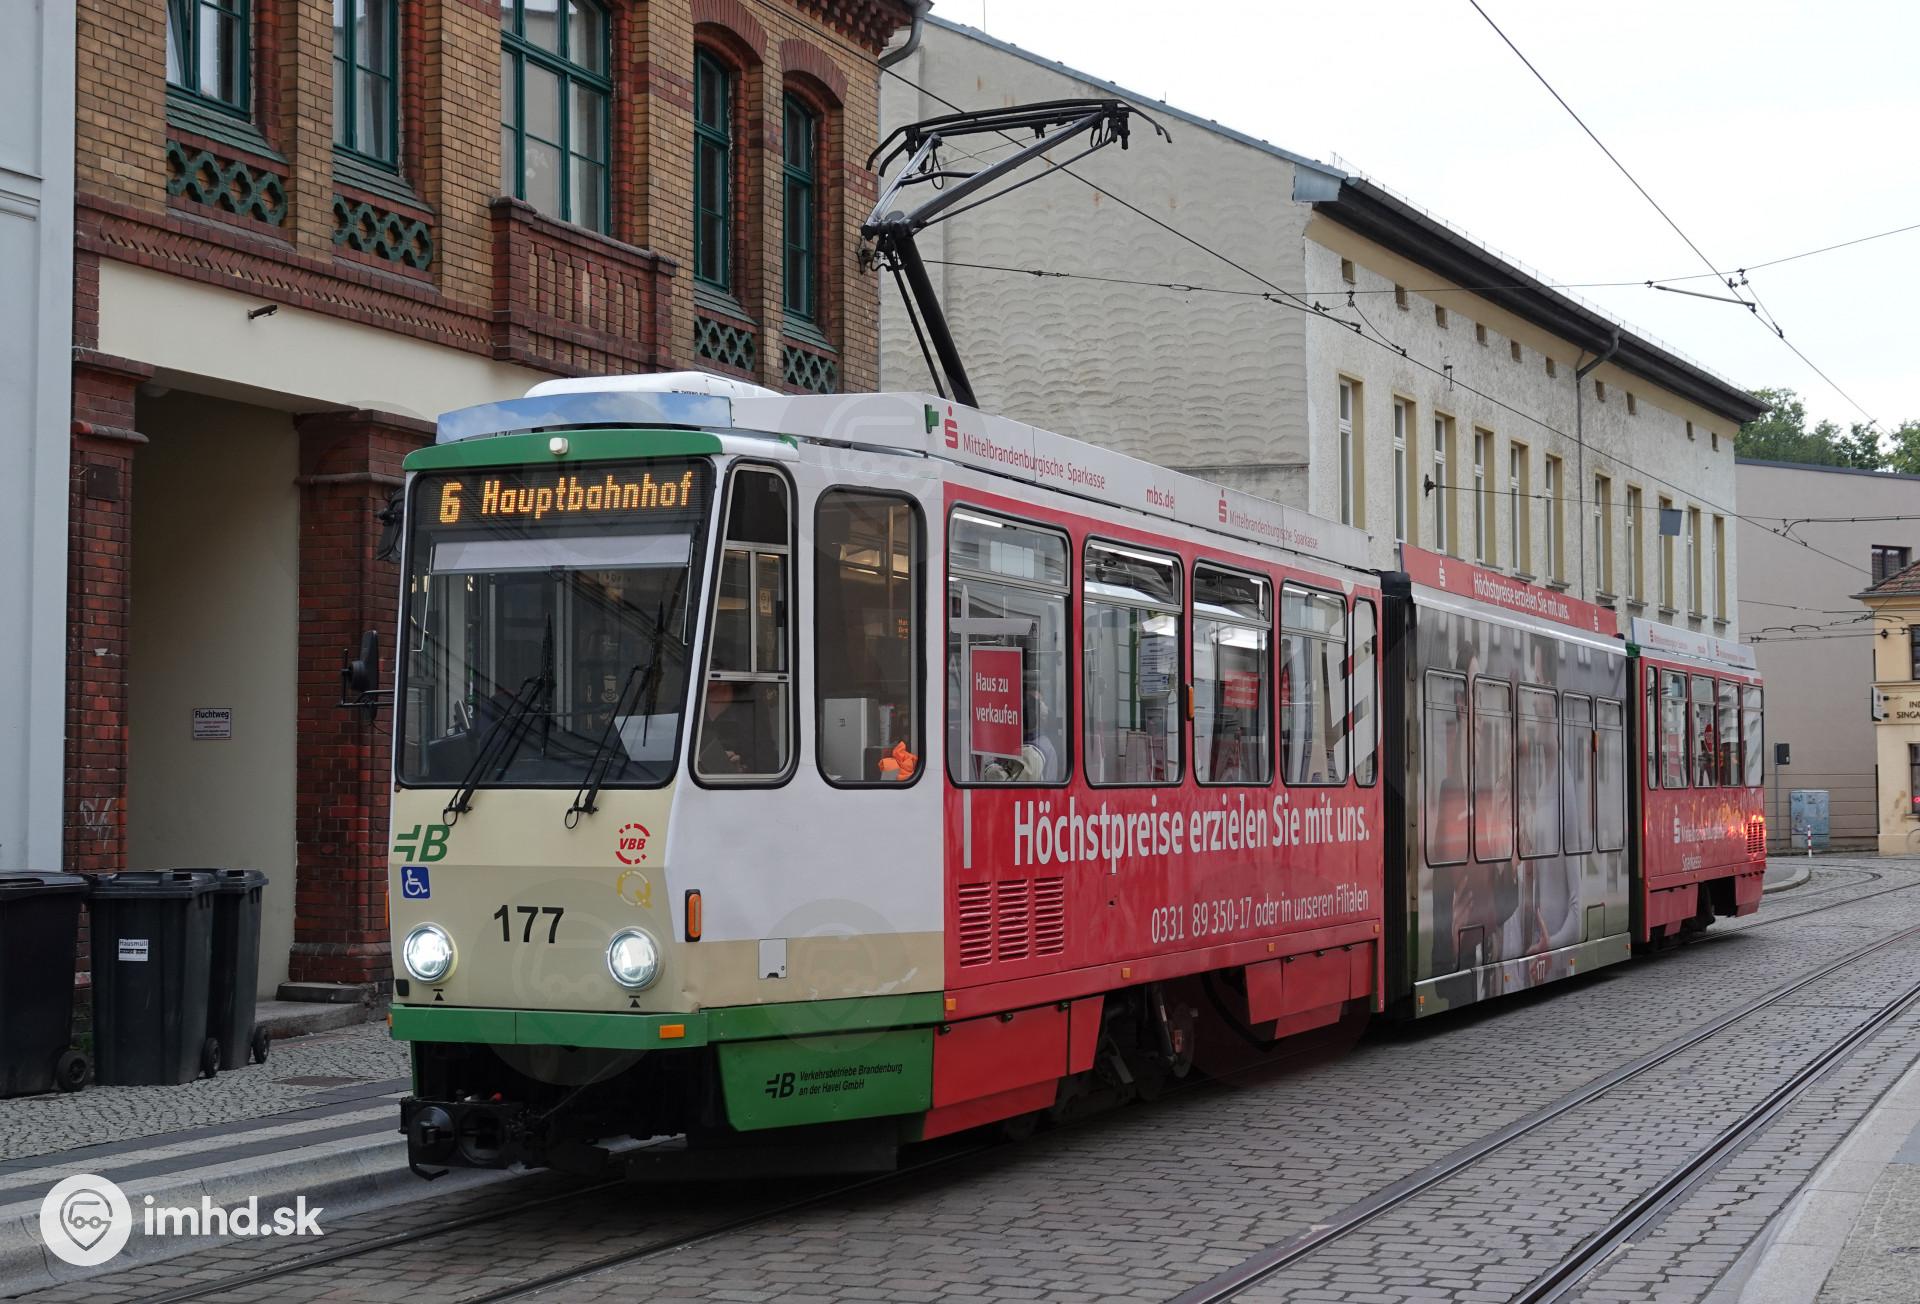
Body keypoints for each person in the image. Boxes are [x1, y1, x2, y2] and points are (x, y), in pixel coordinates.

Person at [697, 680, 756, 775]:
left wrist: (741, 769)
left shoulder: (749, 717)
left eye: (725, 683)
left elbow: (767, 762)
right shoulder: (683, 714)